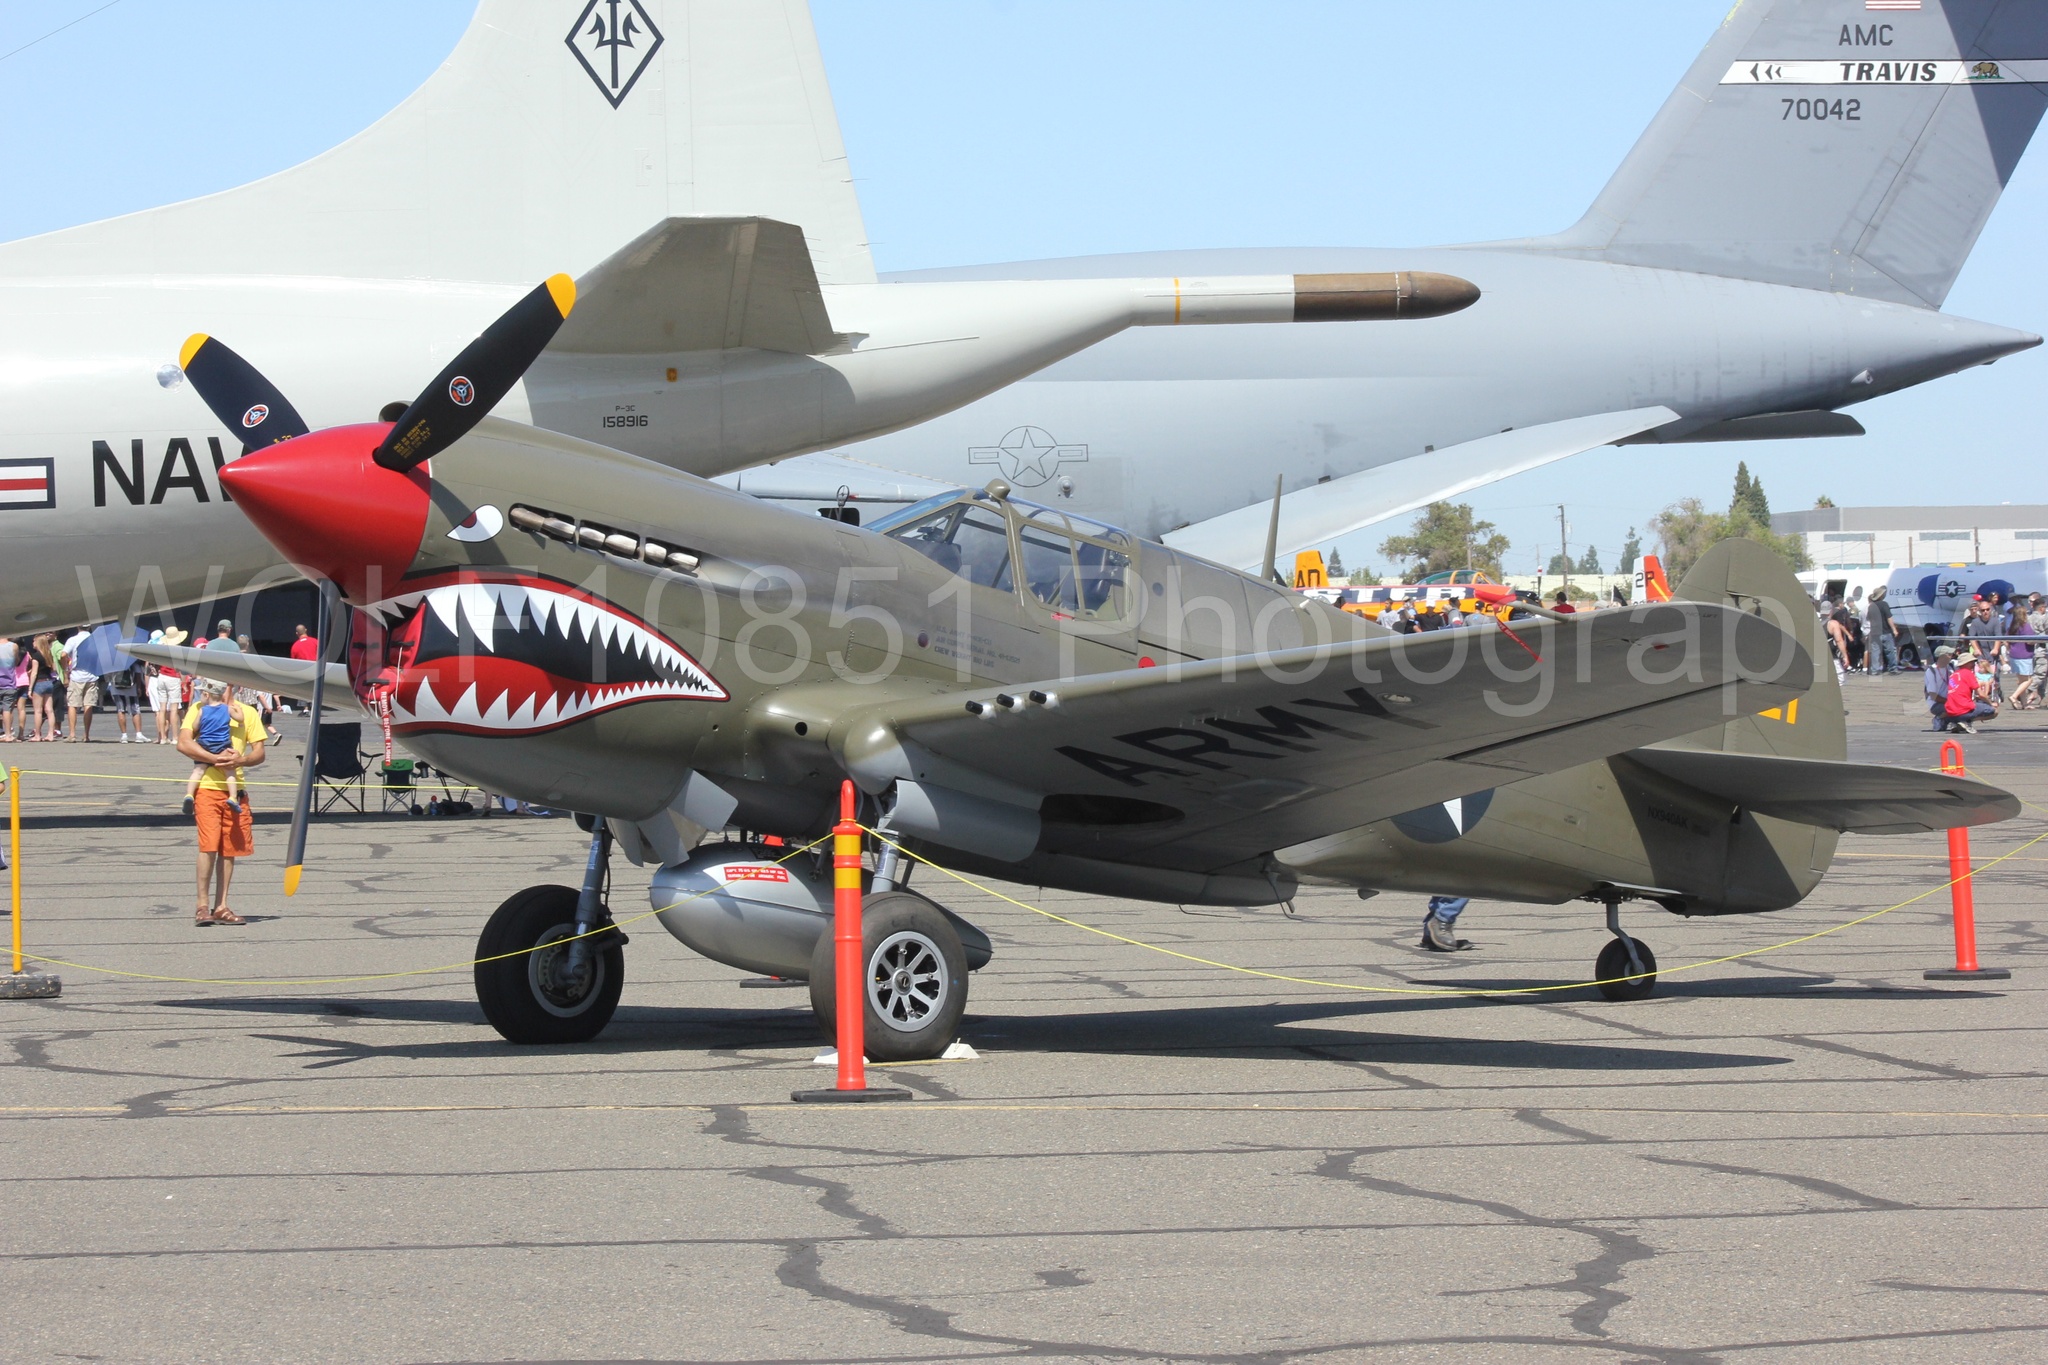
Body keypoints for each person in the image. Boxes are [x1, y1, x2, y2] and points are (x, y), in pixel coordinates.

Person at [177, 680, 265, 926]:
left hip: (234, 790)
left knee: (230, 849)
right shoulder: (199, 707)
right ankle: (201, 906)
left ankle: (221, 905)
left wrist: (242, 760)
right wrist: (215, 758)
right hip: (207, 788)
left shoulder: (246, 712)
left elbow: (260, 752)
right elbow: (183, 743)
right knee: (208, 846)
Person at [147, 628, 188, 744]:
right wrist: (184, 683)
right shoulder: (178, 650)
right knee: (174, 709)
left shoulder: (162, 649)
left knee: (162, 708)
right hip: (173, 678)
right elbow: (181, 669)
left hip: (161, 677)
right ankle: (175, 737)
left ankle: (163, 737)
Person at [59, 625, 98, 742]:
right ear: (89, 627)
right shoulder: (95, 640)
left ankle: (72, 734)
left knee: (73, 705)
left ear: (78, 627)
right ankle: (86, 735)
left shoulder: (73, 640)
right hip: (92, 674)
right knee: (88, 705)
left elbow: (63, 654)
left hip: (77, 675)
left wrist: (65, 668)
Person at [1944, 654, 1998, 733]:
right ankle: (1966, 721)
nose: (1974, 664)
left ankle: (1956, 722)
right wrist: (1991, 703)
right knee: (1994, 711)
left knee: (1968, 706)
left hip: (1950, 711)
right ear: (1965, 663)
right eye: (1971, 662)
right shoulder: (1968, 673)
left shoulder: (1953, 675)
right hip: (1963, 708)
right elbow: (1981, 694)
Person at [107, 657, 144, 742]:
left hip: (116, 687)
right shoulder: (131, 657)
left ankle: (124, 736)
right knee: (135, 710)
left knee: (121, 710)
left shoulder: (112, 658)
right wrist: (139, 687)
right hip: (131, 688)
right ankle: (138, 734)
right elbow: (138, 672)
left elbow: (108, 674)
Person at [2009, 609, 2040, 710]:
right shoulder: (2025, 626)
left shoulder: (2012, 627)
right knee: (2029, 680)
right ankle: (2014, 696)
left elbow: (2007, 639)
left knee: (2022, 680)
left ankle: (2024, 704)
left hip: (2014, 655)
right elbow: (2030, 641)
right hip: (2024, 655)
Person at [1863, 586, 1899, 675]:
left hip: (1874, 632)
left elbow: (1869, 619)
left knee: (1875, 652)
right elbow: (1889, 618)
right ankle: (1892, 668)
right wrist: (1894, 629)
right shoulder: (1884, 604)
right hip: (1885, 631)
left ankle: (1874, 669)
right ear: (1881, 596)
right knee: (1890, 650)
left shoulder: (1871, 606)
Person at [1924, 645, 1955, 731]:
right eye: (1949, 654)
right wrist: (1951, 702)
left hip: (1949, 700)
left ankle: (1949, 720)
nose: (1952, 656)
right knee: (1956, 707)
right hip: (1935, 703)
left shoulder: (1951, 667)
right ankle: (1939, 718)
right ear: (1942, 657)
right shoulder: (1931, 671)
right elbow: (1933, 696)